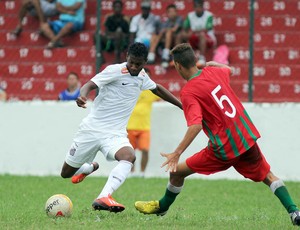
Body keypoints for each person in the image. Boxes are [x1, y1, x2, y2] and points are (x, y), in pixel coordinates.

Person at [134, 43, 300, 226]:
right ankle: (294, 211)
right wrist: (208, 64)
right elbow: (228, 69)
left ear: (178, 66)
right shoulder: (214, 72)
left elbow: (195, 126)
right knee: (269, 176)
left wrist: (177, 152)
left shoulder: (189, 91)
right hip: (245, 137)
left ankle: (162, 206)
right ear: (196, 62)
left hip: (222, 147)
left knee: (177, 172)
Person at [60, 42, 182, 213]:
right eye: (131, 62)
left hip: (115, 133)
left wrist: (182, 106)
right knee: (66, 173)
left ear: (144, 63)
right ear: (126, 57)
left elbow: (158, 89)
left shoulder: (142, 76)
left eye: (138, 64)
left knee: (129, 156)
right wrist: (82, 95)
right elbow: (90, 84)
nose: (133, 66)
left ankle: (104, 196)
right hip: (92, 130)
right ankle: (88, 167)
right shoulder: (114, 70)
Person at [127, 68, 160, 177]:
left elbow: (161, 97)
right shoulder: (130, 89)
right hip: (129, 126)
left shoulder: (151, 91)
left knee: (145, 150)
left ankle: (142, 173)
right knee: (130, 152)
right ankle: (131, 173)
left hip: (144, 127)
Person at [178, 0, 216, 66]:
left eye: (200, 7)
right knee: (180, 35)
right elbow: (185, 28)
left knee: (201, 34)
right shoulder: (190, 15)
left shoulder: (209, 15)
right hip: (194, 37)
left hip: (208, 39)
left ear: (202, 7)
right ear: (194, 7)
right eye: (196, 7)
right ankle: (178, 57)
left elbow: (206, 30)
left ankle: (201, 58)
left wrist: (193, 32)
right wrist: (186, 34)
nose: (198, 9)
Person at [157, 4, 183, 68]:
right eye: (169, 12)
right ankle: (165, 57)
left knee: (170, 33)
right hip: (169, 42)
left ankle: (168, 56)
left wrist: (166, 30)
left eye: (173, 11)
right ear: (167, 13)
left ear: (176, 12)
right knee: (160, 36)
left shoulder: (179, 19)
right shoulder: (166, 22)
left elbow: (175, 29)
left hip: (180, 41)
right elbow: (161, 32)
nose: (171, 14)